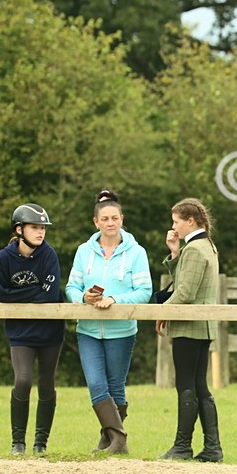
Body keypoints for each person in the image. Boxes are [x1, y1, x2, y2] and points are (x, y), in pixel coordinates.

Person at [66, 189, 152, 455]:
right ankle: (118, 440)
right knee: (95, 383)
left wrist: (114, 298)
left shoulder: (136, 253)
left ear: (122, 219)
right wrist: (84, 296)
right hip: (88, 329)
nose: (110, 222)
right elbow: (71, 287)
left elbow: (144, 292)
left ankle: (111, 441)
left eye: (115, 218)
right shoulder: (84, 252)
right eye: (105, 219)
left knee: (115, 386)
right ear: (96, 222)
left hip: (122, 331)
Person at [156, 198, 222, 462]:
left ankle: (182, 446)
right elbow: (185, 279)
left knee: (186, 385)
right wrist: (174, 252)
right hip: (202, 327)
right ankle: (212, 447)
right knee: (199, 386)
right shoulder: (205, 246)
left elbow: (184, 292)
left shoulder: (195, 249)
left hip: (189, 326)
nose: (174, 227)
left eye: (176, 222)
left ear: (190, 221)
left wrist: (161, 313)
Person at [0, 203, 64, 455]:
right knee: (23, 380)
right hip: (20, 332)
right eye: (35, 227)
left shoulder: (49, 255)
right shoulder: (3, 259)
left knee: (47, 384)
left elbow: (50, 295)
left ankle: (40, 444)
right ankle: (18, 442)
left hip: (50, 331)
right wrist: (31, 293)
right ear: (19, 229)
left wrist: (13, 295)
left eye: (43, 228)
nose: (40, 232)